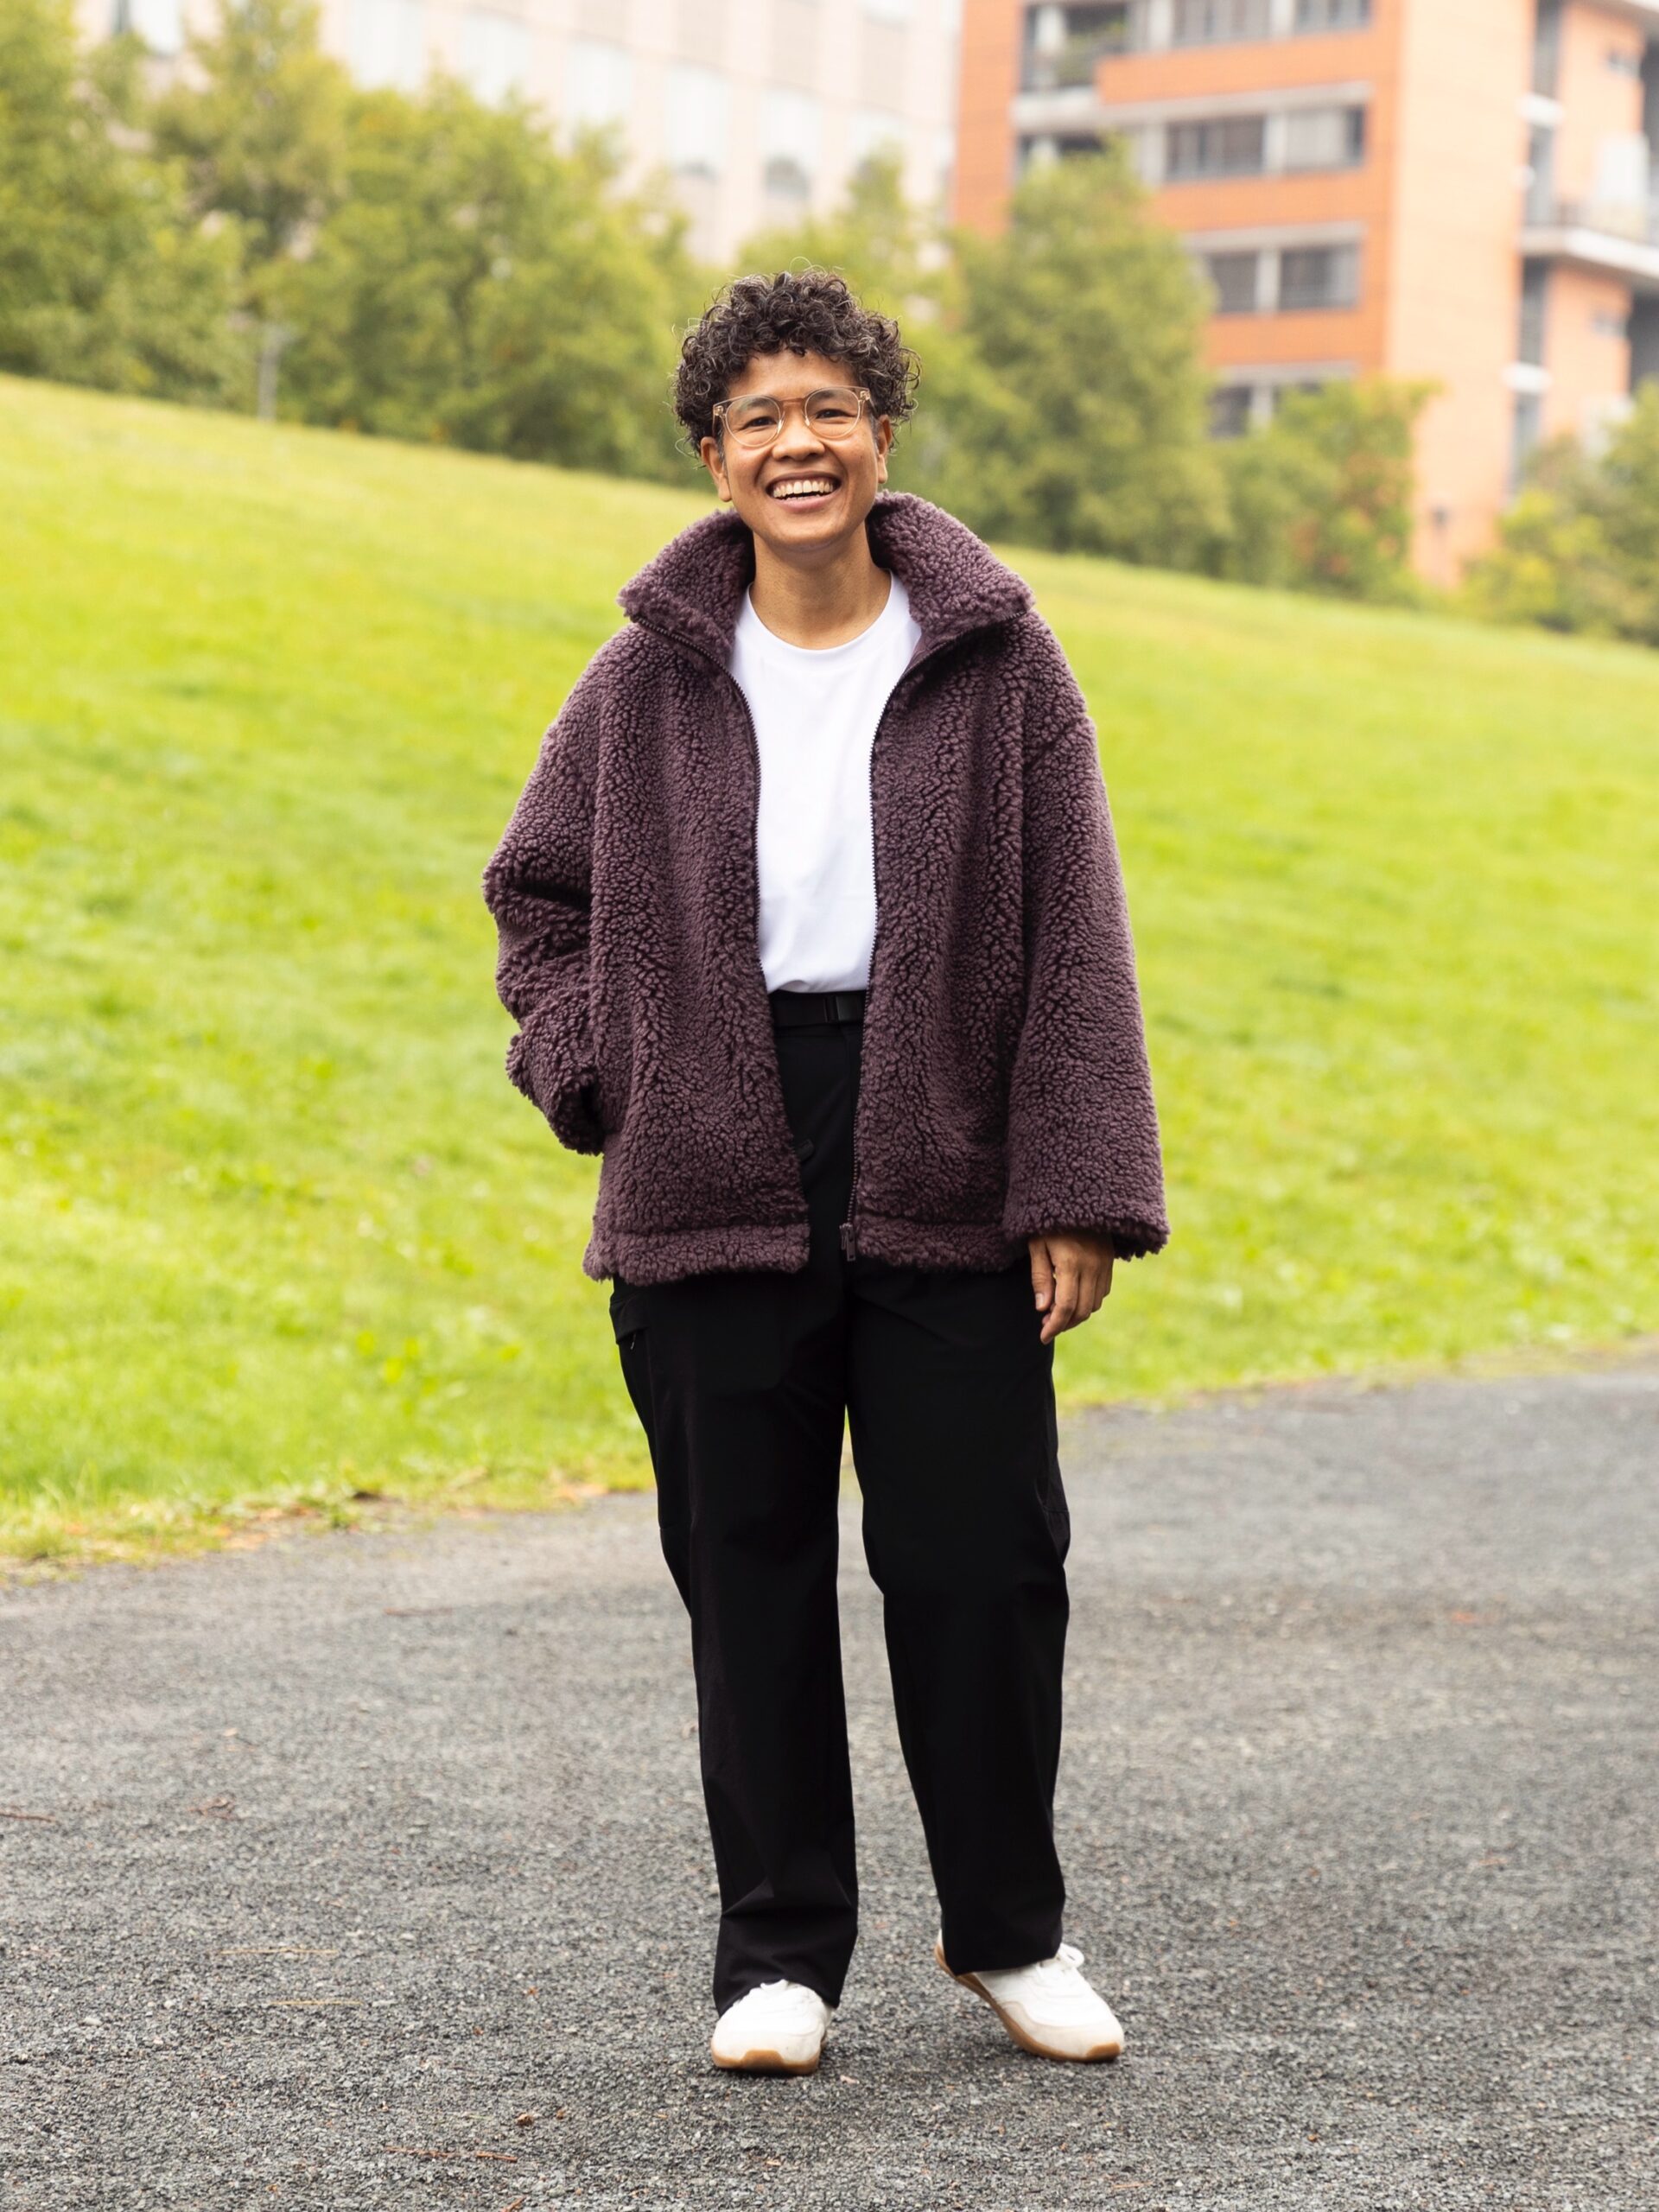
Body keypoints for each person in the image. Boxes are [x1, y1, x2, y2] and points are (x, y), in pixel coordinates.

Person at [483, 271, 1168, 2077]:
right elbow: (538, 895)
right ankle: (779, 1954)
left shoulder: (999, 663)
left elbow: (1077, 932)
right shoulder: (643, 677)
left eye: (831, 408)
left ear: (881, 434)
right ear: (714, 458)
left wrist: (1077, 1177)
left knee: (983, 1561)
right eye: (760, 417)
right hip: (709, 1141)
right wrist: (596, 1063)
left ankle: (1010, 1932)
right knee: (749, 1566)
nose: (799, 443)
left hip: (946, 1135)